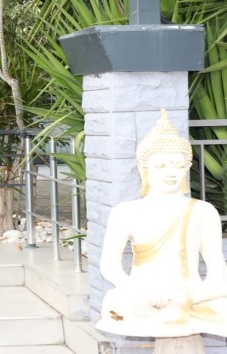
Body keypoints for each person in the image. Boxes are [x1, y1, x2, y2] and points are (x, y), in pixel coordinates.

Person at [96, 109, 227, 339]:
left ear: (187, 168)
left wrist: (188, 296)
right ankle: (168, 315)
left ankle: (176, 314)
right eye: (161, 166)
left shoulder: (203, 211)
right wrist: (141, 290)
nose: (171, 173)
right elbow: (110, 267)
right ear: (144, 169)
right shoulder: (126, 212)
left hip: (189, 295)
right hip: (142, 295)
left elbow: (219, 276)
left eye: (178, 165)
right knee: (116, 303)